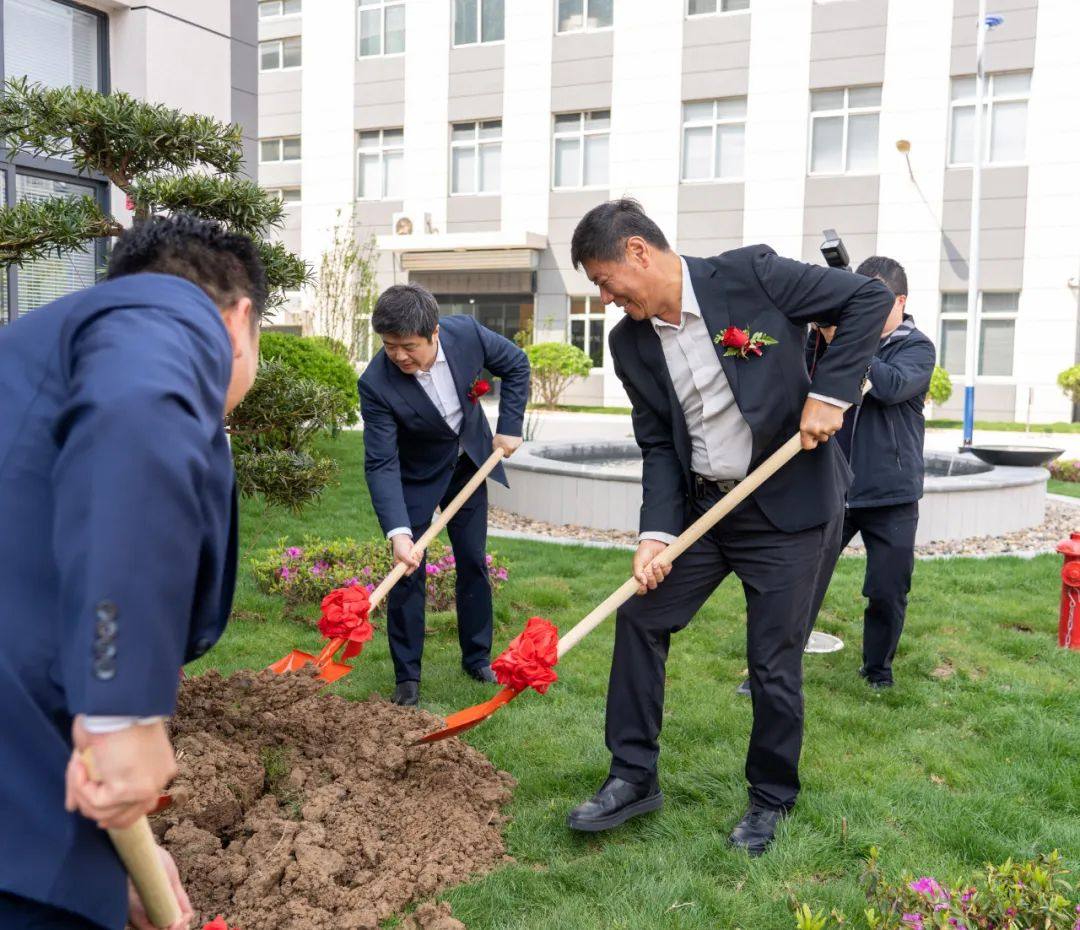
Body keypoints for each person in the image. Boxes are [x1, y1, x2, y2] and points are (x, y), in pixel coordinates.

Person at [563, 199, 892, 855]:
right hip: (703, 513)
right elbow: (658, 443)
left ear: (637, 252)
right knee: (640, 618)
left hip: (789, 511)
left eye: (603, 281)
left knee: (771, 661)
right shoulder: (628, 343)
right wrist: (654, 535)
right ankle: (633, 775)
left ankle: (770, 799)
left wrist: (832, 393)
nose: (603, 298)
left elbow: (867, 300)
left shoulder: (751, 277)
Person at [0, 214, 265, 929]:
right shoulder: (170, 310)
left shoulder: (35, 360)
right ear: (239, 322)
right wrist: (123, 707)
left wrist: (103, 862)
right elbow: (136, 417)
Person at [358, 284, 530, 707]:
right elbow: (381, 462)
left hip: (469, 463)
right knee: (407, 571)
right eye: (389, 346)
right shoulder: (376, 384)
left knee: (473, 560)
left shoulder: (466, 334)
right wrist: (398, 531)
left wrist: (509, 425)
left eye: (408, 346)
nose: (398, 356)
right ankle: (408, 679)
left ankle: (477, 658)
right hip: (416, 477)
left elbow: (516, 363)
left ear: (434, 332)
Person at [803, 255, 935, 689]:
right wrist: (825, 331)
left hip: (890, 493)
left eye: (877, 301)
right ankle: (774, 667)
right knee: (799, 584)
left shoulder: (917, 347)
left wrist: (849, 341)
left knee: (887, 590)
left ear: (900, 301)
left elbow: (891, 386)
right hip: (830, 486)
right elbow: (806, 374)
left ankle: (877, 671)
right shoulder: (840, 338)